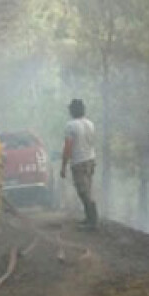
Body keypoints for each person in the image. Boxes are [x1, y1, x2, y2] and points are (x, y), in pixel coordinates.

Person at [61, 98, 97, 229]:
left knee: (83, 191)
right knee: (88, 188)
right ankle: (90, 218)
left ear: (72, 110)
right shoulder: (90, 124)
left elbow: (68, 146)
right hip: (90, 159)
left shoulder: (71, 125)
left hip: (79, 161)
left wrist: (63, 166)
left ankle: (92, 221)